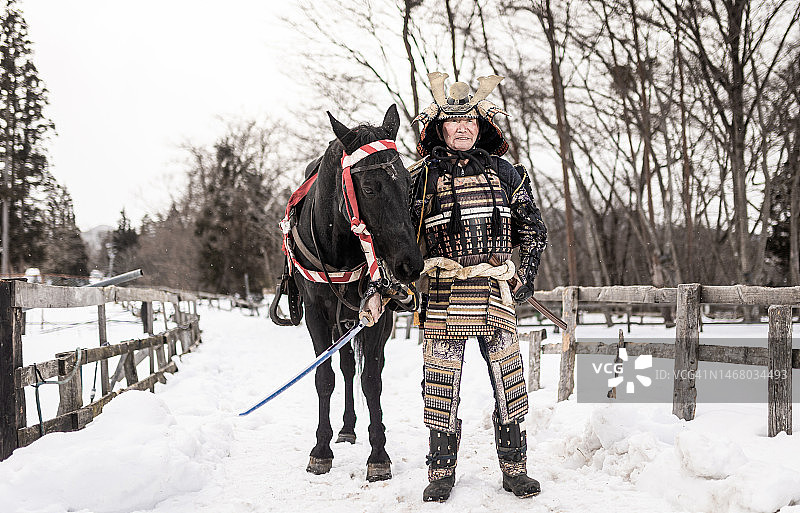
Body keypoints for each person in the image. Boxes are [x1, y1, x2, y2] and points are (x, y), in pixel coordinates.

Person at [409, 72, 548, 502]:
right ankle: (441, 472)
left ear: (482, 125)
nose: (464, 127)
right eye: (454, 122)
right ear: (440, 128)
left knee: (510, 381)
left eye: (470, 120)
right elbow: (401, 236)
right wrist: (399, 285)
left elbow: (533, 230)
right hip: (444, 292)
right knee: (441, 385)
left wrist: (525, 275)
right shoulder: (421, 178)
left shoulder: (508, 174)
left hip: (494, 292)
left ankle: (515, 469)